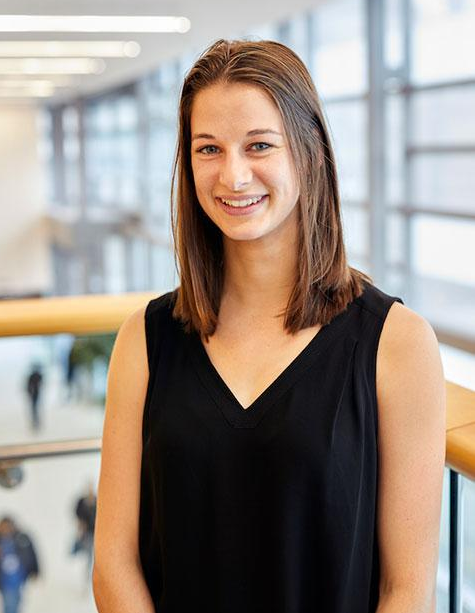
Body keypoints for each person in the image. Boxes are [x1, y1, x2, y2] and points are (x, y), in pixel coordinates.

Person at [93, 39, 446, 613]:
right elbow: (113, 565)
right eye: (209, 148)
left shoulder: (397, 344)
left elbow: (406, 591)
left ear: (309, 152)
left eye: (259, 145)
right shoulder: (145, 339)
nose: (233, 176)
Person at [0, 516, 39, 613]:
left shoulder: (21, 538)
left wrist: (35, 570)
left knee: (16, 602)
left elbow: (31, 555)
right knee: (9, 604)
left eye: (7, 526)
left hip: (19, 578)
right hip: (4, 580)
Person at [71, 482, 97, 583]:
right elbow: (76, 512)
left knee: (90, 553)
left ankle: (88, 573)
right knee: (80, 547)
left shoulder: (96, 500)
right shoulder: (81, 502)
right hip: (84, 531)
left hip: (93, 532)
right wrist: (80, 523)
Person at [25, 363, 43, 431]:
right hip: (34, 394)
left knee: (35, 409)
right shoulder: (37, 375)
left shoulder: (34, 376)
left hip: (36, 394)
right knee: (34, 409)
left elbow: (29, 386)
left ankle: (36, 421)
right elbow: (29, 386)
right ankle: (35, 421)